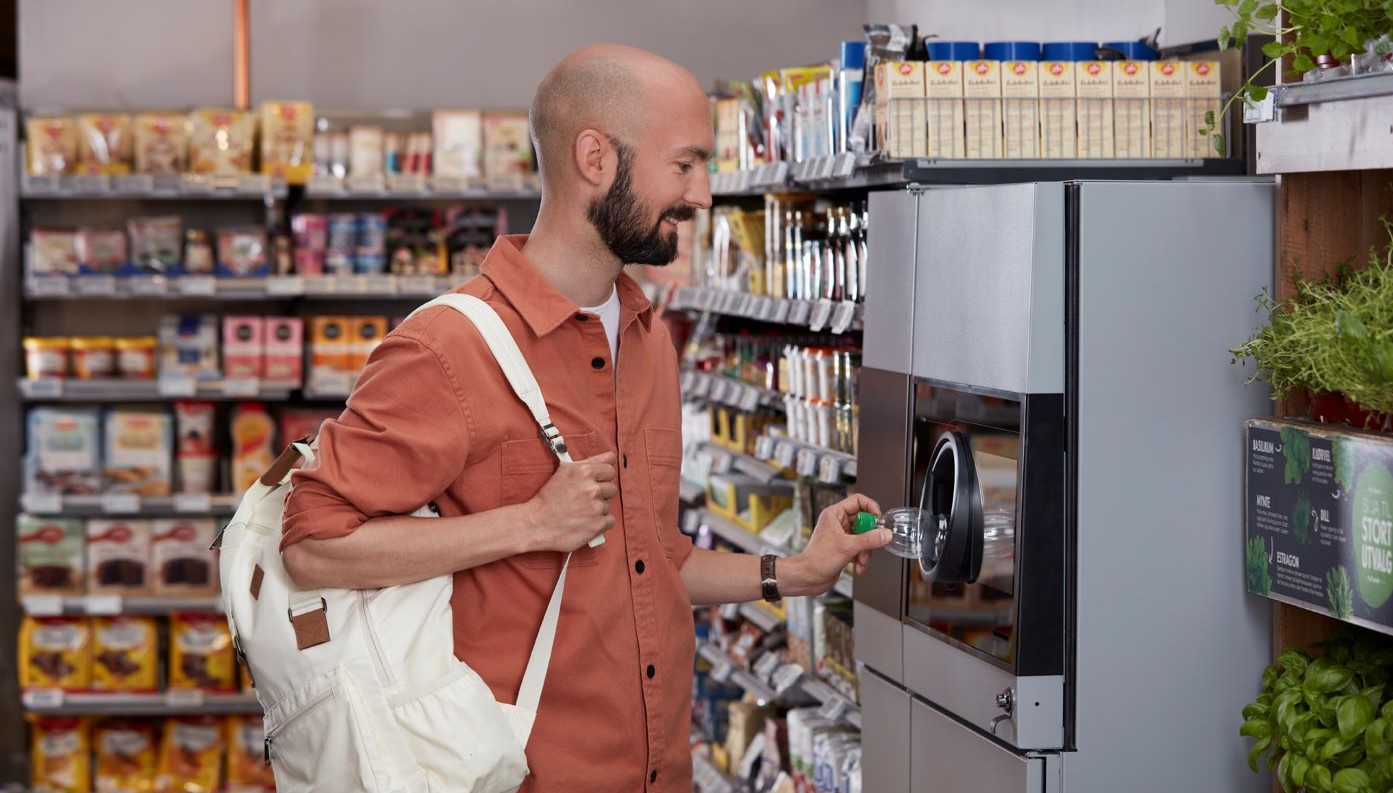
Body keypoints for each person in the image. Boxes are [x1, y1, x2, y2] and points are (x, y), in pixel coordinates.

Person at [280, 44, 892, 792]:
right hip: (518, 774)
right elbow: (313, 546)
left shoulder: (648, 338)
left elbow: (650, 561)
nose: (702, 195)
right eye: (684, 164)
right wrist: (530, 524)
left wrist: (794, 572)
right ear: (595, 158)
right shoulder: (447, 346)